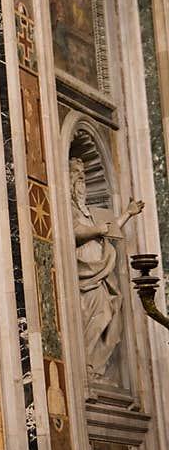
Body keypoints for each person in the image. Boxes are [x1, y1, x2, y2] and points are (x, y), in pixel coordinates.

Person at [69, 157, 143, 383]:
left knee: (110, 312)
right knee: (96, 313)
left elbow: (108, 229)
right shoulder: (68, 208)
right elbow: (74, 231)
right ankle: (87, 367)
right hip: (85, 273)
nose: (81, 180)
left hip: (102, 273)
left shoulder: (90, 212)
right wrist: (95, 230)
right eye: (76, 175)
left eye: (83, 176)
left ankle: (95, 366)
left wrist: (127, 214)